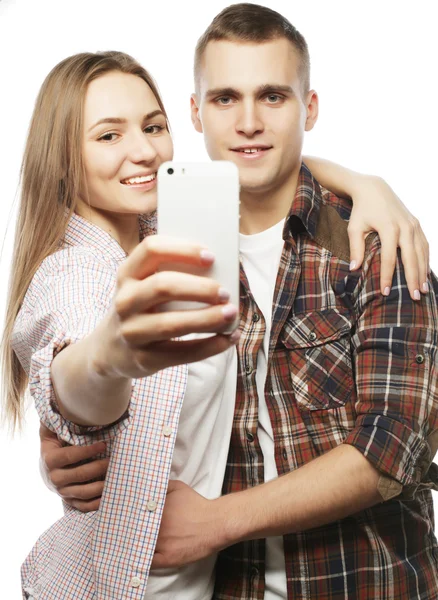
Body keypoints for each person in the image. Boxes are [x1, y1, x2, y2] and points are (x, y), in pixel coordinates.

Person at [7, 11, 434, 600]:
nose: (250, 122)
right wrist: (83, 404)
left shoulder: (370, 240)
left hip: (359, 581)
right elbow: (80, 356)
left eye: (274, 96)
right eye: (227, 98)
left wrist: (368, 183)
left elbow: (396, 445)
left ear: (309, 109)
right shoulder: (165, 252)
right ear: (197, 112)